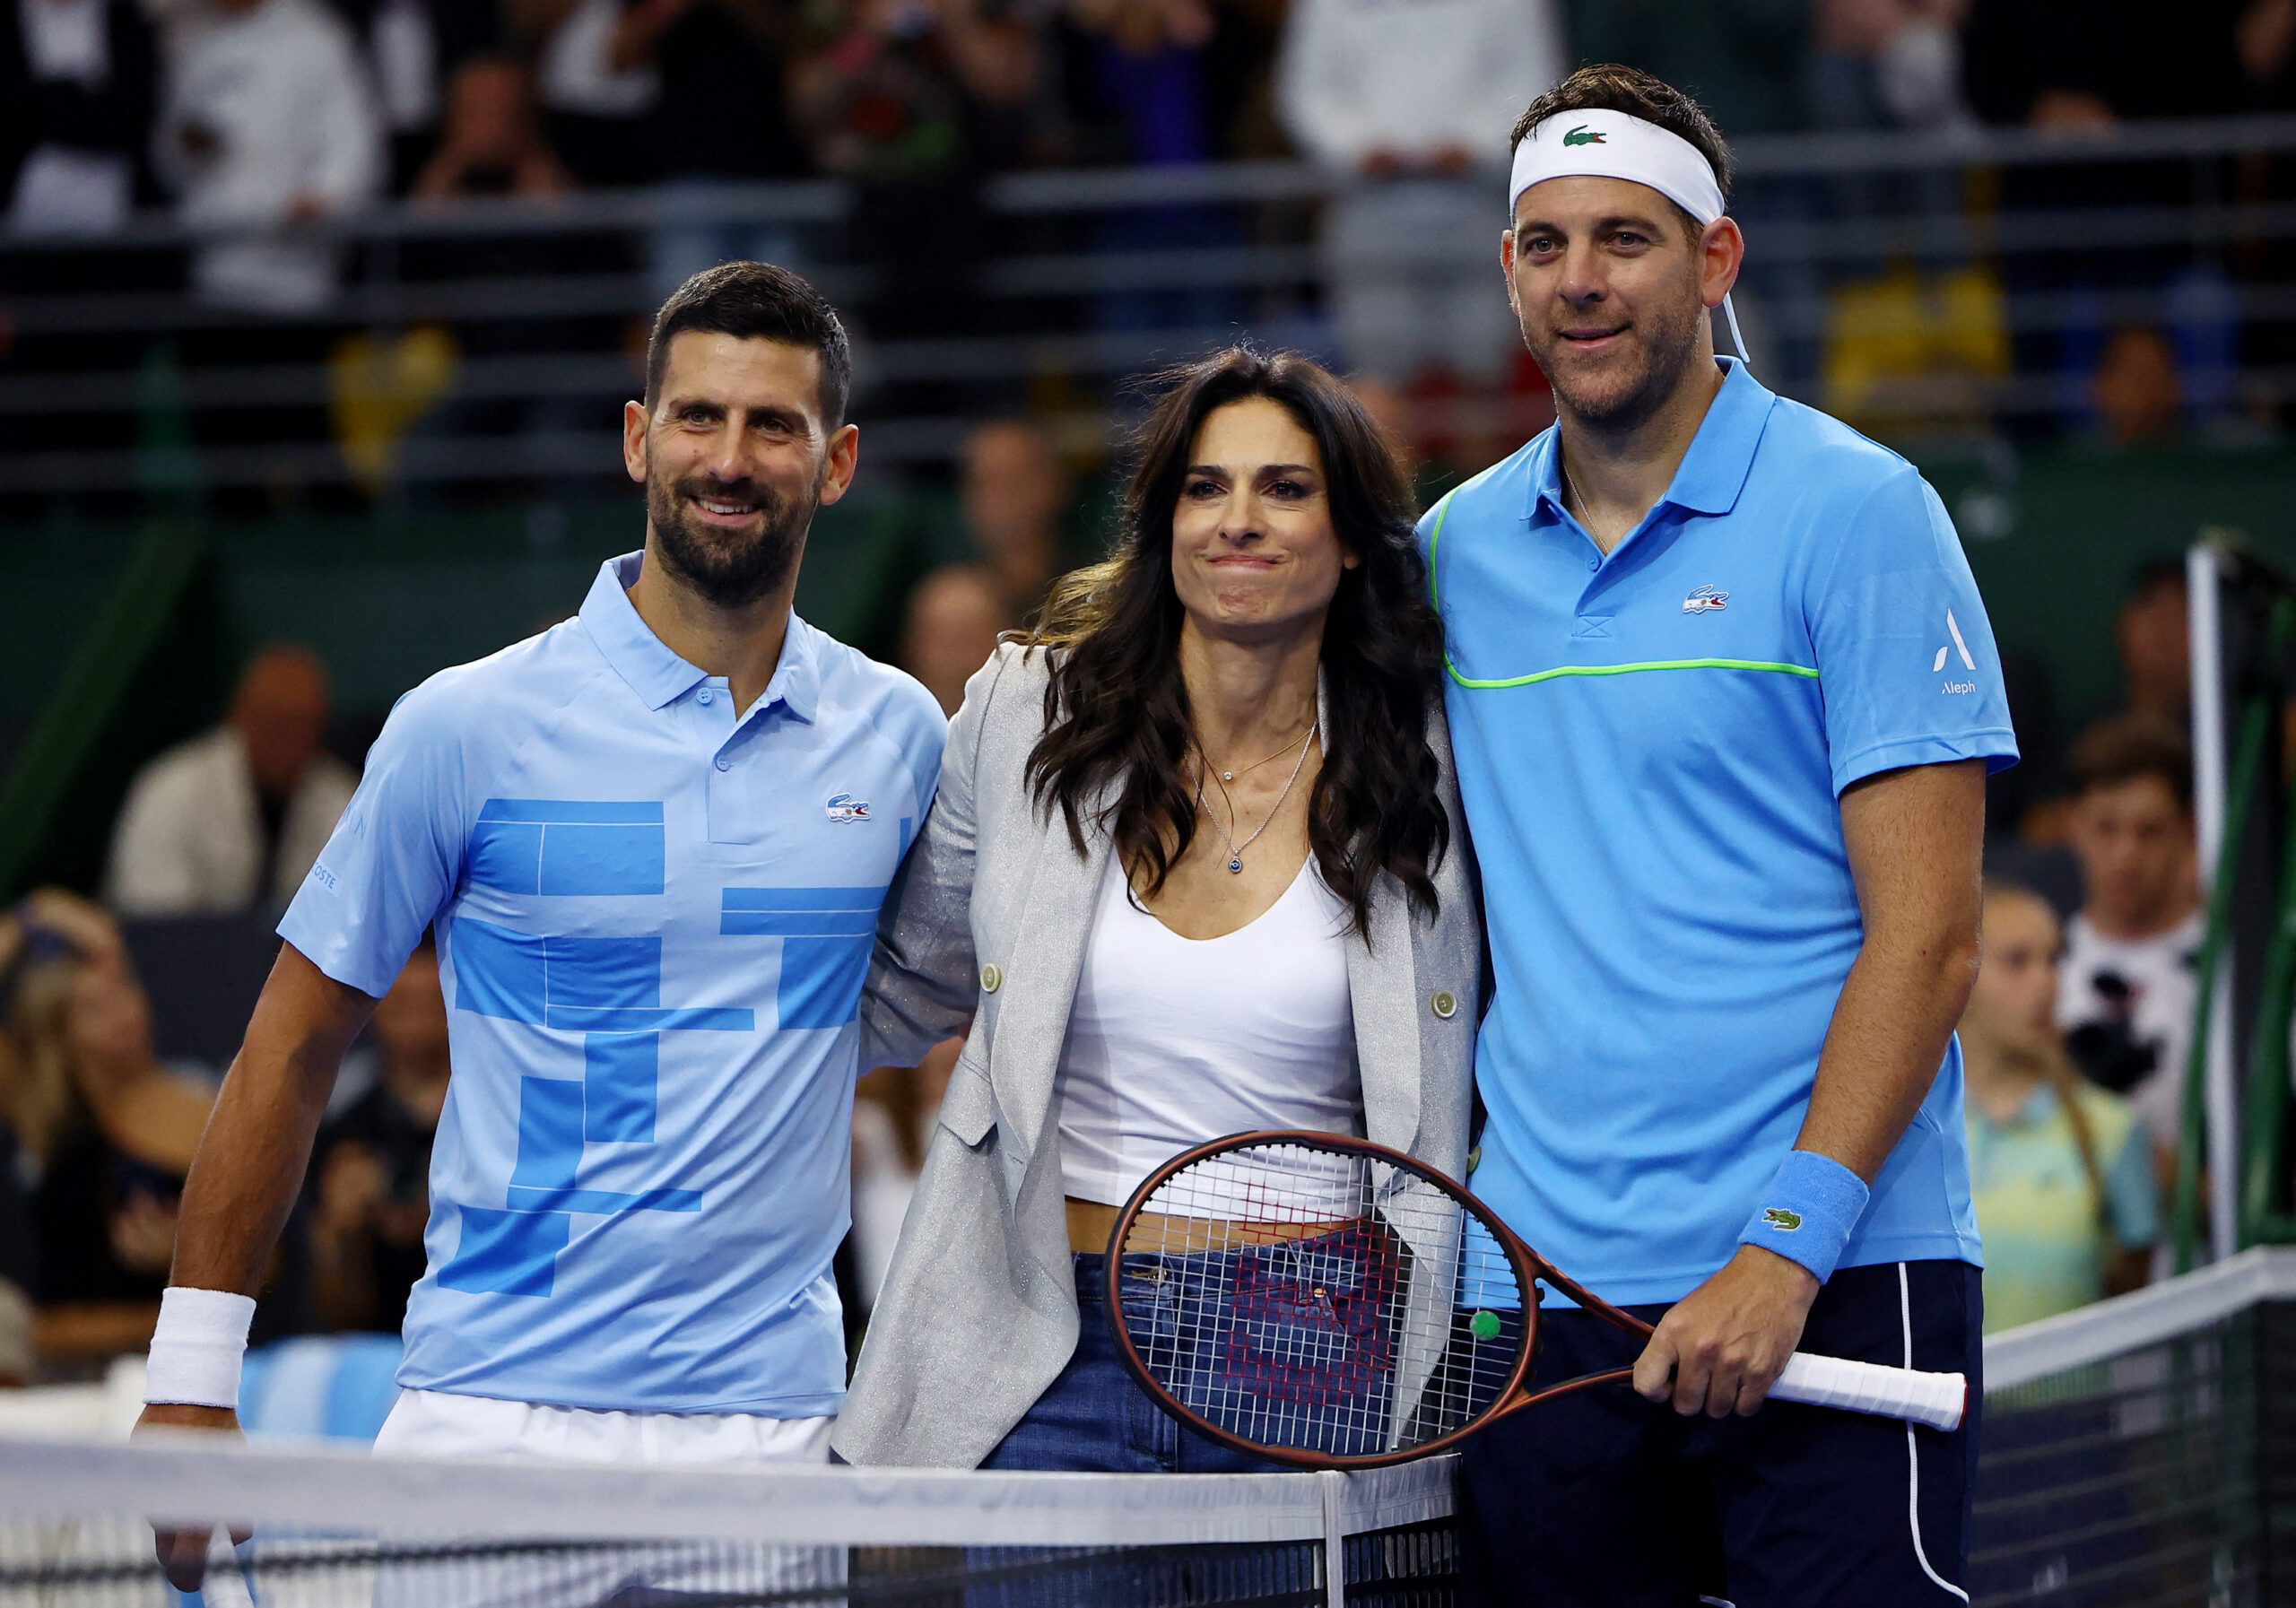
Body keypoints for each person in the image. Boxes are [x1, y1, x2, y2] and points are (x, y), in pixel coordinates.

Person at [136, 262, 945, 1598]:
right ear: (638, 438)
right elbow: (285, 1050)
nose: (728, 458)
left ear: (839, 460)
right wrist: (188, 1385)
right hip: (486, 1423)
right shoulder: (466, 725)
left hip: (775, 1438)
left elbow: (942, 1000)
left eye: (773, 425)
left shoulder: (901, 736)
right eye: (696, 417)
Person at [1425, 65, 2017, 1603]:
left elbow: (1934, 932)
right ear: (1507, 273)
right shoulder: (1451, 554)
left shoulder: (1863, 511)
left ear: (1717, 258)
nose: (1582, 281)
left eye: (1626, 238)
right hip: (1540, 1296)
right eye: (1545, 245)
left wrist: (1784, 1248)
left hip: (1835, 1270)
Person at [834, 346, 1481, 1473]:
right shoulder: (1025, 711)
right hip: (1040, 1328)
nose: (1239, 518)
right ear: (1160, 520)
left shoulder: (1433, 752)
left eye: (1286, 488)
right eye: (1204, 485)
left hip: (1311, 1344)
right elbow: (895, 990)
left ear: (1350, 538)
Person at [1274, 0, 1561, 394]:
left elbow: (1532, 76)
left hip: (1477, 202)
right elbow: (1308, 88)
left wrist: (1475, 144)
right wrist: (1357, 147)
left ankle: (1481, 459)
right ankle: (1384, 459)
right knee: (1376, 370)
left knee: (1485, 370)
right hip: (1370, 206)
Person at [0, 891, 216, 1361]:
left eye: (127, 990)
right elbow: (46, 1324)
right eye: (96, 1008)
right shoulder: (46, 1121)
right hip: (64, 1358)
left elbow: (270, 1262)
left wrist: (187, 1259)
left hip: (171, 1352)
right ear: (61, 1031)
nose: (124, 1015)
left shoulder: (193, 1103)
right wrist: (28, 917)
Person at [1964, 882, 2158, 1332]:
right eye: (2017, 961)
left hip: (2076, 1400)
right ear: (1959, 970)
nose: (2047, 982)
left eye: (2054, 959)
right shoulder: (1909, 1129)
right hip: (1948, 1401)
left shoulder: (2112, 1128)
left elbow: (2132, 1298)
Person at [155, 0, 385, 315]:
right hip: (211, 271)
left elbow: (353, 140)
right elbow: (169, 151)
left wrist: (324, 196)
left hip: (294, 275)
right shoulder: (191, 40)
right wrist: (190, 149)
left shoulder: (315, 36)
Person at [105, 646, 359, 919]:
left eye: (305, 725)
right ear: (240, 714)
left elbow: (356, 916)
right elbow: (152, 921)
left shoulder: (345, 801)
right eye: (276, 722)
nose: (289, 740)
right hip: (185, 957)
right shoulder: (171, 788)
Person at [2056, 717, 2201, 1171]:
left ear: (2189, 829)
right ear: (2073, 826)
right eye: (2107, 829)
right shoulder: (2036, 967)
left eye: (2149, 831)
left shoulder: (2239, 971)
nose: (2126, 855)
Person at [306, 942, 449, 1334]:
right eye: (402, 1001)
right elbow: (337, 1314)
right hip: (380, 1350)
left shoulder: (501, 1118)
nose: (406, 986)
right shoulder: (345, 1133)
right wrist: (344, 1236)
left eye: (425, 962)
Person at [900, 565, 1011, 717]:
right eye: (945, 638)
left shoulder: (1035, 726)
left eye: (972, 638)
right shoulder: (887, 730)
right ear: (913, 645)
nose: (960, 653)